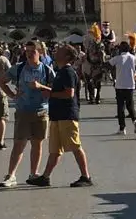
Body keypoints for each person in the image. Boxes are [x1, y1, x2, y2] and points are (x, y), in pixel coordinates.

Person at [30, 44, 91, 188]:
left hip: (67, 115)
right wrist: (43, 88)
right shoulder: (61, 71)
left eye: (60, 52)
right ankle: (45, 177)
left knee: (75, 146)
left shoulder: (68, 72)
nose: (56, 53)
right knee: (55, 150)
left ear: (67, 57)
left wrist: (48, 92)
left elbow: (69, 93)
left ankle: (86, 176)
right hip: (57, 115)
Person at [2, 41, 53, 187]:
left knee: (37, 143)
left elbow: (53, 90)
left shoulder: (48, 70)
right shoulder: (18, 69)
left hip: (41, 111)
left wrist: (40, 86)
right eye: (27, 51)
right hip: (23, 110)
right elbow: (2, 81)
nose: (29, 54)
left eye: (33, 51)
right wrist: (12, 95)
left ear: (40, 52)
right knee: (19, 144)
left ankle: (33, 173)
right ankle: (11, 175)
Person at [112, 40, 136, 134]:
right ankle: (135, 121)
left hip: (120, 85)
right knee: (130, 106)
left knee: (121, 107)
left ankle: (122, 128)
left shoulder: (117, 58)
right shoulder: (133, 58)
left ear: (120, 49)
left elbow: (107, 64)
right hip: (130, 85)